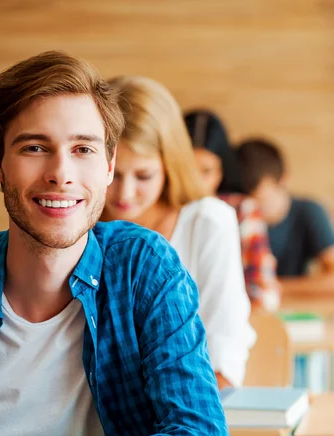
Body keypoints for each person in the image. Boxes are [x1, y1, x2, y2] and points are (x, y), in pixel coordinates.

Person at [0, 52, 232, 436]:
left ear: (109, 165)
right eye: (34, 147)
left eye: (84, 149)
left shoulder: (143, 266)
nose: (61, 173)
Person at [101, 76, 255, 390]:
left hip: (188, 404)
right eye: (112, 174)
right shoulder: (77, 223)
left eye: (144, 175)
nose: (125, 193)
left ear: (170, 165)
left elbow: (224, 350)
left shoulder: (208, 221)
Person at [184, 110, 280, 312]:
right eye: (187, 169)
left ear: (221, 171)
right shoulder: (159, 211)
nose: (196, 183)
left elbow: (262, 293)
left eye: (206, 171)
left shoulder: (241, 211)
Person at [237, 138, 334, 296]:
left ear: (283, 181)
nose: (251, 211)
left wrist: (275, 287)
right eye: (247, 203)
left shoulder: (309, 212)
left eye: (261, 201)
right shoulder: (236, 216)